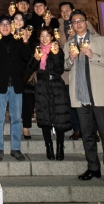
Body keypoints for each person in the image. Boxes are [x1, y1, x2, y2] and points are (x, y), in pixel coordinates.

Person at [64, 10, 104, 186]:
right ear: (71, 26)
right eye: (74, 21)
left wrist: (92, 56)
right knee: (87, 134)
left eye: (81, 20)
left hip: (98, 94)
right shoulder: (69, 43)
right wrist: (71, 60)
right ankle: (93, 167)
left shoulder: (99, 40)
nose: (78, 23)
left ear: (86, 22)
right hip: (80, 95)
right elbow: (66, 67)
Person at [0, 15, 31, 161]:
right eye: (2, 24)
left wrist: (25, 40)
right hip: (0, 84)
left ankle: (15, 148)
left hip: (16, 84)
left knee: (16, 118)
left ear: (11, 26)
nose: (5, 26)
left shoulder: (17, 40)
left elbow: (25, 56)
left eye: (7, 24)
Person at [28, 27, 71, 160]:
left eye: (47, 35)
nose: (44, 38)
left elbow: (60, 70)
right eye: (42, 36)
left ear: (52, 37)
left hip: (56, 85)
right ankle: (49, 147)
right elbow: (29, 68)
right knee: (45, 116)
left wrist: (57, 55)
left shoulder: (57, 49)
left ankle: (60, 146)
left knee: (59, 117)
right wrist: (36, 59)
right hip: (41, 86)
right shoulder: (37, 50)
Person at [58, 1, 98, 141]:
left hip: (86, 68)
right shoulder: (58, 25)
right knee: (72, 102)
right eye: (62, 11)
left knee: (89, 101)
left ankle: (93, 130)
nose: (65, 13)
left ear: (72, 10)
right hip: (68, 71)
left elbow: (95, 39)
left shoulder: (83, 23)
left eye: (67, 10)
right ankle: (77, 129)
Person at [11, 11, 35, 140]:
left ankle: (26, 126)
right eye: (16, 18)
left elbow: (28, 55)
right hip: (11, 72)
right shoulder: (7, 33)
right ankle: (15, 123)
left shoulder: (28, 34)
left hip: (25, 72)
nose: (19, 21)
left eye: (21, 19)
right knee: (15, 100)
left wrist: (25, 41)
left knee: (27, 99)